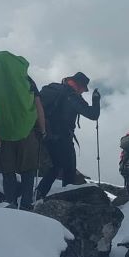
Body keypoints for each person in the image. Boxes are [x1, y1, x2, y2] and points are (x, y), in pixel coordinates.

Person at [0, 51, 45, 210]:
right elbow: (38, 106)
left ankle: (10, 203)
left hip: (1, 134)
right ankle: (26, 204)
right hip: (27, 131)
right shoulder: (26, 80)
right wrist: (42, 129)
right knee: (28, 170)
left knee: (8, 172)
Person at [35, 72, 102, 200]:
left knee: (55, 166)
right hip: (63, 137)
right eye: (83, 89)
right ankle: (67, 199)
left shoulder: (56, 90)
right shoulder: (71, 96)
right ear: (79, 85)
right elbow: (93, 115)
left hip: (47, 134)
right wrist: (96, 99)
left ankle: (39, 194)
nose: (83, 92)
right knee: (69, 169)